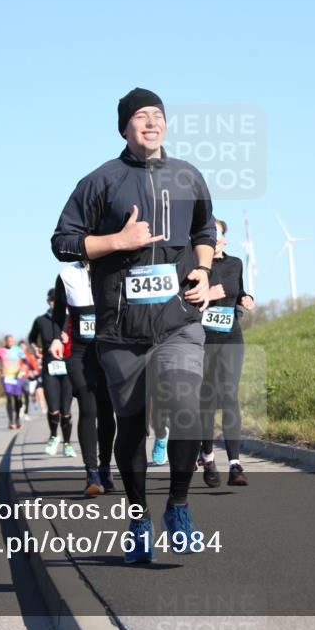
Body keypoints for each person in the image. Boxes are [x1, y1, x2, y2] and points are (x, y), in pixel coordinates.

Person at [52, 88, 216, 562]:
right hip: (120, 330)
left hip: (178, 320)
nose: (151, 123)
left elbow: (204, 230)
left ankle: (179, 507)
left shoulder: (188, 176)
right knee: (130, 427)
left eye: (158, 116)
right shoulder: (100, 181)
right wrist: (117, 240)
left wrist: (202, 270)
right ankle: (139, 516)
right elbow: (62, 242)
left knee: (187, 408)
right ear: (124, 126)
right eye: (141, 117)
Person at [49, 261, 117, 496]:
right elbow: (58, 311)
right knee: (88, 407)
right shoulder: (67, 275)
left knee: (107, 409)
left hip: (109, 349)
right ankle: (92, 473)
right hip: (79, 353)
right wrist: (56, 337)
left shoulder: (115, 266)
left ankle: (105, 466)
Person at [198, 219, 255, 487]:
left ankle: (235, 464)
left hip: (231, 336)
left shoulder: (235, 264)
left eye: (217, 233)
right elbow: (182, 300)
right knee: (207, 401)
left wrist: (246, 298)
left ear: (224, 239)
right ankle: (208, 457)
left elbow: (239, 290)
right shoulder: (195, 266)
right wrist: (207, 294)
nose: (214, 237)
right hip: (204, 340)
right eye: (209, 233)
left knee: (229, 396)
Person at [29, 289, 76, 457]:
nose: (54, 302)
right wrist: (36, 350)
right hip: (50, 367)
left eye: (57, 300)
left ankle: (68, 443)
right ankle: (53, 436)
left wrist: (69, 339)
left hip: (68, 367)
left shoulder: (70, 319)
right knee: (53, 409)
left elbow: (82, 338)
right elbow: (32, 338)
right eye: (51, 300)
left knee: (66, 410)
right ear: (48, 301)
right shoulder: (40, 321)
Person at [0, 335, 26, 429]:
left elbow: (25, 361)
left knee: (17, 398)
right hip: (6, 376)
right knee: (8, 396)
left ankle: (17, 419)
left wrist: (23, 369)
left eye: (12, 341)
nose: (10, 342)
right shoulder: (0, 350)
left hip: (17, 376)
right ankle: (11, 421)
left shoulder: (18, 350)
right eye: (8, 341)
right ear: (5, 341)